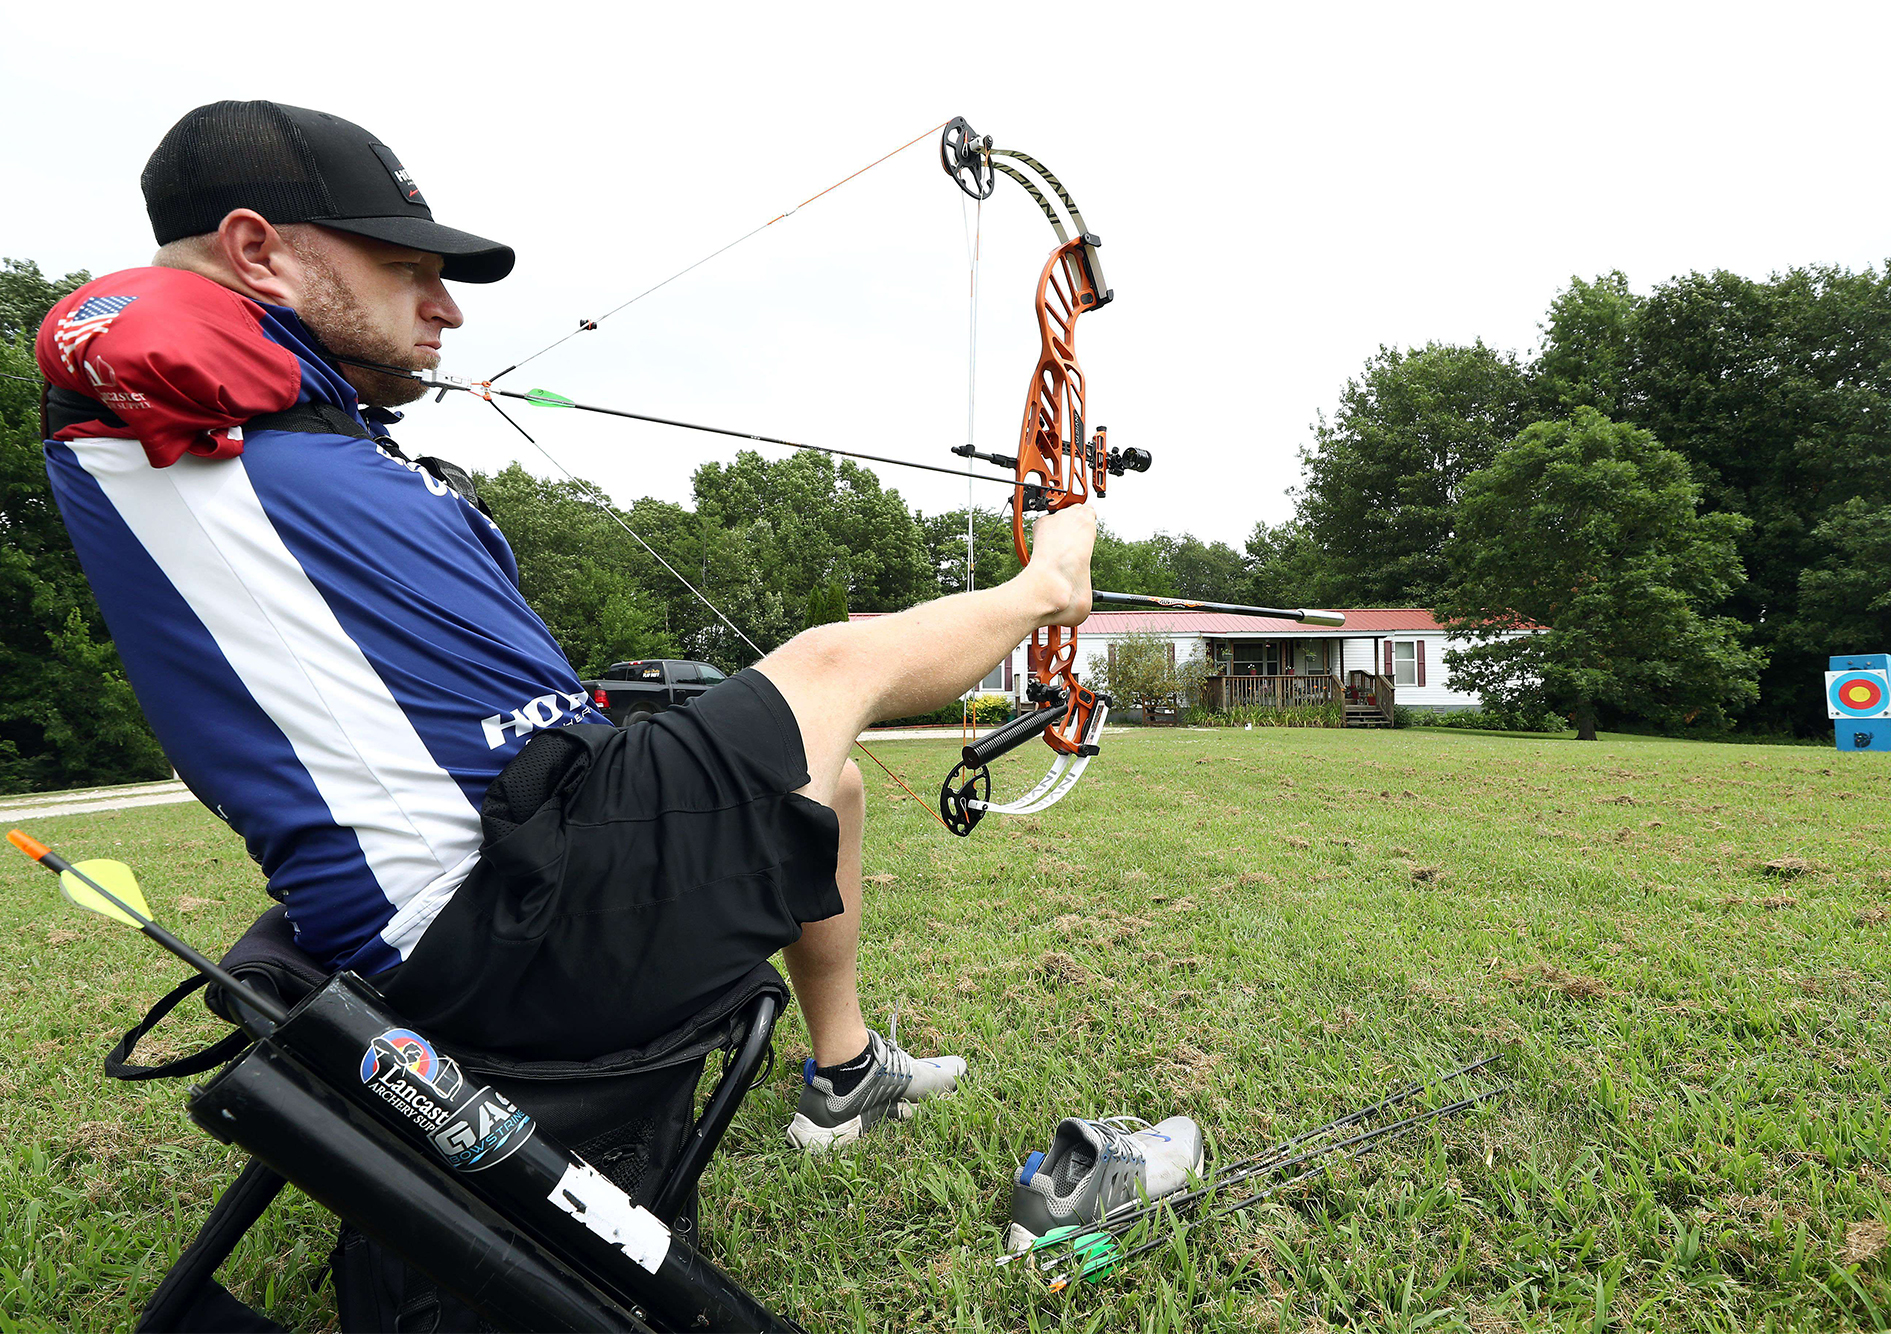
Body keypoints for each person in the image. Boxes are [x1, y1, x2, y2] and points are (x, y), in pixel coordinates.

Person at [36, 100, 1098, 1151]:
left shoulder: (263, 426)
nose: (445, 309)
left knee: (830, 776)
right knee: (829, 664)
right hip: (500, 934)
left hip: (517, 875)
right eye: (406, 269)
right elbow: (125, 334)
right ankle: (1052, 584)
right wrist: (1055, 552)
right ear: (257, 251)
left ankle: (845, 1067)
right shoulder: (166, 412)